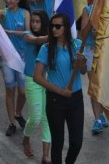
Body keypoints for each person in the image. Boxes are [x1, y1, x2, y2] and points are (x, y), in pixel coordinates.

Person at [34, 13, 87, 164]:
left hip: (76, 98)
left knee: (76, 142)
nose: (54, 29)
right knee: (58, 142)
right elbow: (37, 76)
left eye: (58, 26)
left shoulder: (77, 44)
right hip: (55, 99)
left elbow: (83, 71)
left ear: (66, 28)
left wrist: (82, 62)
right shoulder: (46, 48)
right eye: (52, 26)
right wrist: (60, 91)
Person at [80, 0, 109, 135]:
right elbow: (83, 33)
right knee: (94, 85)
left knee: (103, 85)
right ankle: (97, 119)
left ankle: (103, 112)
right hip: (91, 50)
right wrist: (91, 26)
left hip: (107, 51)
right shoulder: (87, 9)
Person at [22, 10, 51, 163]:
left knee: (47, 118)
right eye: (33, 21)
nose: (34, 24)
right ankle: (26, 138)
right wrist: (53, 36)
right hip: (32, 80)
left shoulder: (49, 39)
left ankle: (46, 155)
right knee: (36, 117)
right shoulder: (27, 34)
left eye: (38, 21)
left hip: (47, 81)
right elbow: (36, 40)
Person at [0, 0, 29, 136]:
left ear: (18, 0)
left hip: (22, 57)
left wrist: (11, 32)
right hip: (7, 57)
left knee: (23, 91)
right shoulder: (3, 13)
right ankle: (11, 122)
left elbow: (27, 32)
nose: (9, 1)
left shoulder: (25, 14)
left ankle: (18, 113)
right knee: (10, 90)